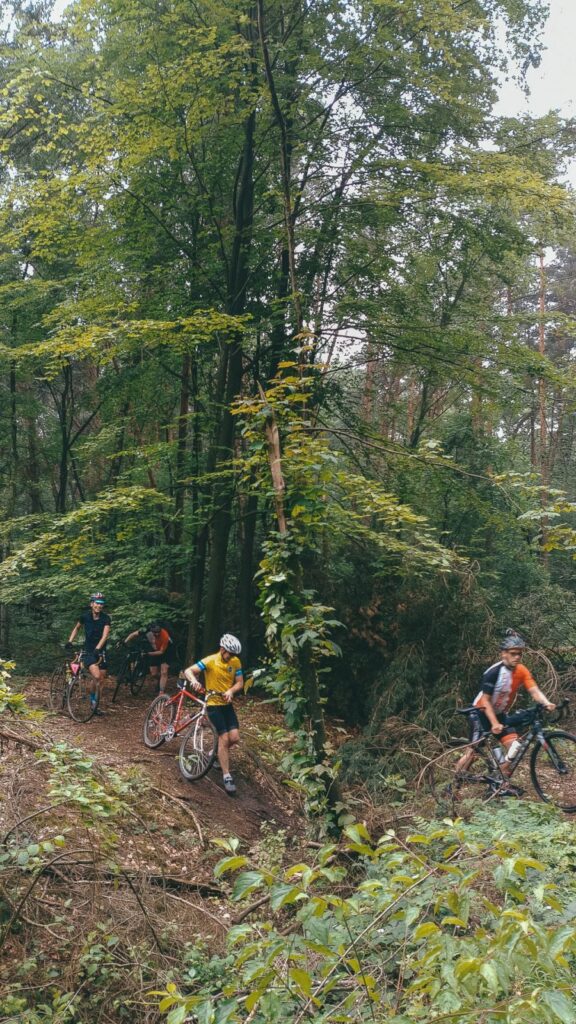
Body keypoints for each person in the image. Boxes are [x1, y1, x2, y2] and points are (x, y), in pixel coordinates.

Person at [456, 632, 556, 776]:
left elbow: (534, 690)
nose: (517, 657)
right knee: (472, 754)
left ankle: (500, 781)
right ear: (504, 654)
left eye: (519, 654)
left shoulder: (521, 670)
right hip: (480, 713)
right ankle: (453, 786)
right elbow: (485, 700)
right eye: (513, 653)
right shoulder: (493, 672)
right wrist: (494, 723)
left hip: (499, 715)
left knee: (515, 748)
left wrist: (546, 702)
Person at [183, 633, 244, 795]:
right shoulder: (211, 660)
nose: (231, 656)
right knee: (224, 739)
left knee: (235, 738)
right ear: (222, 649)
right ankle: (227, 776)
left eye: (233, 654)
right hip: (213, 704)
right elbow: (189, 670)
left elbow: (240, 683)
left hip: (227, 704)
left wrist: (231, 691)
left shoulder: (235, 662)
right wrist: (194, 681)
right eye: (229, 653)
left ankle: (214, 753)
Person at [67, 592, 111, 716]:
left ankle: (94, 703)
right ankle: (92, 701)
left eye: (101, 603)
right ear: (91, 604)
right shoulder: (85, 616)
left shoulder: (106, 618)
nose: (99, 605)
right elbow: (77, 628)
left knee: (101, 680)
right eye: (97, 603)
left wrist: (98, 648)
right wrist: (70, 641)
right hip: (89, 651)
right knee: (96, 677)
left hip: (101, 651)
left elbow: (105, 635)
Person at [123, 621, 175, 693]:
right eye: (155, 632)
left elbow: (161, 652)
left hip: (166, 652)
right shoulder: (147, 630)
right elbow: (133, 634)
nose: (157, 634)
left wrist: (148, 654)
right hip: (154, 650)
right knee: (154, 673)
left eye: (158, 632)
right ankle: (160, 680)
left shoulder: (165, 635)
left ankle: (161, 692)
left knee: (164, 671)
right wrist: (125, 642)